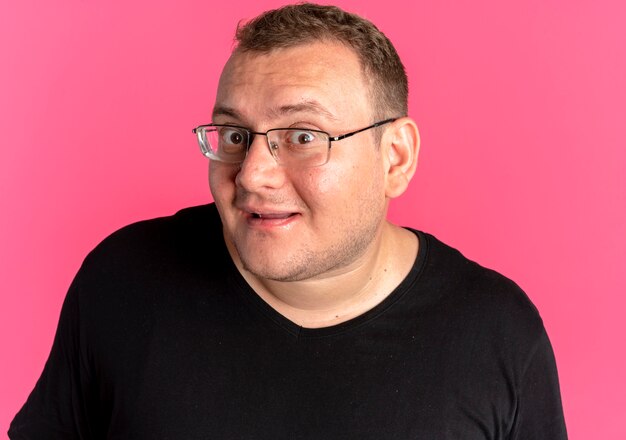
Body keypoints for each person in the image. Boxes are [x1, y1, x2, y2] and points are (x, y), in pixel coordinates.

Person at [9, 3, 567, 439]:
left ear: (394, 157)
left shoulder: (498, 334)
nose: (252, 176)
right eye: (234, 136)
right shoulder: (122, 280)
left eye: (302, 137)